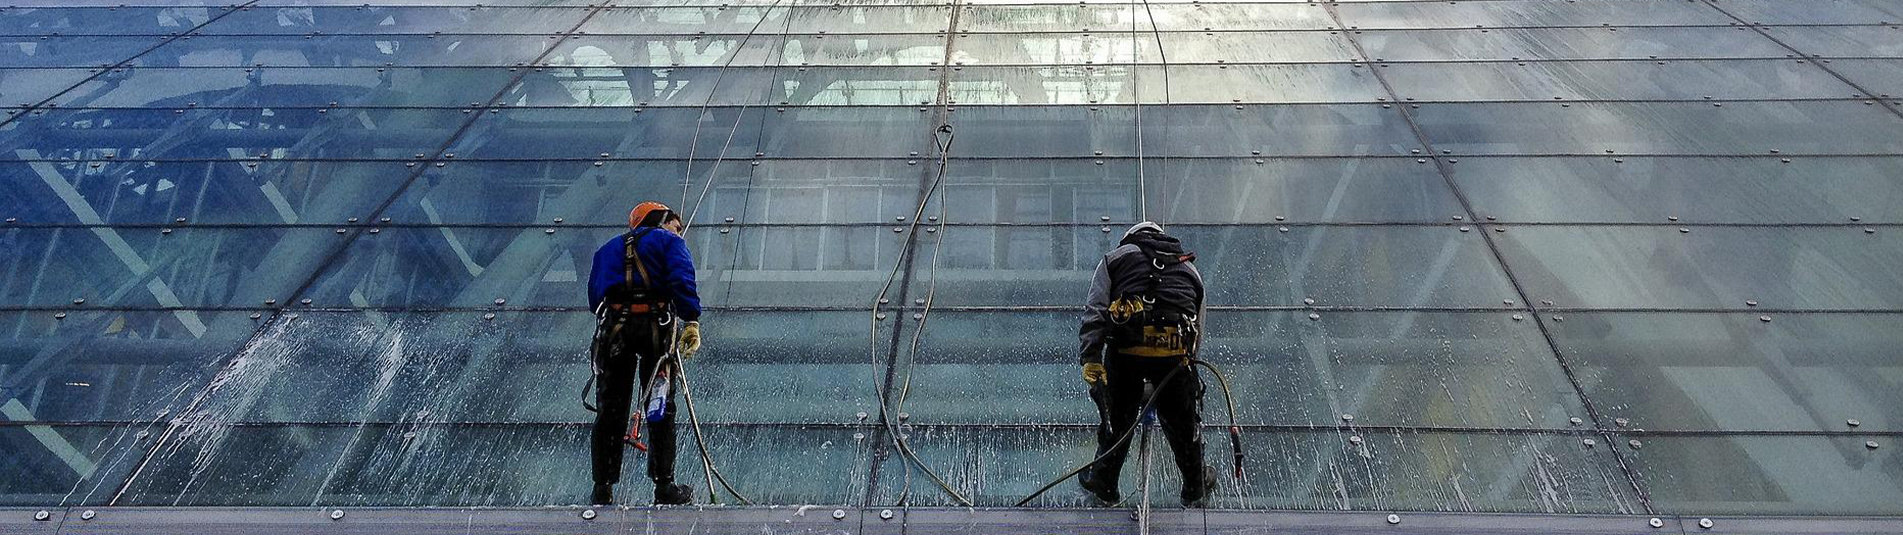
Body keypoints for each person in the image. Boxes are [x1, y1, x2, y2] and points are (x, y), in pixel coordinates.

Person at [1075, 221, 1216, 507]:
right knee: (1182, 421)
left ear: (1130, 238)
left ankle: (1104, 484)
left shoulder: (1114, 259)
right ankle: (1195, 484)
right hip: (1175, 351)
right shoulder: (1189, 267)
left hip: (1128, 349)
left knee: (1118, 418)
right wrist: (1186, 367)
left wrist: (1091, 357)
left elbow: (1097, 311)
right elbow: (1197, 326)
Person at [587, 202, 702, 505]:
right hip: (656, 328)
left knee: (610, 409)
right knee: (661, 407)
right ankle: (664, 486)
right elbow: (681, 279)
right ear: (660, 221)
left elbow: (594, 296)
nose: (680, 233)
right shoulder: (669, 242)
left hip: (614, 331)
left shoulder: (607, 249)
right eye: (676, 226)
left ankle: (602, 488)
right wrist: (691, 319)